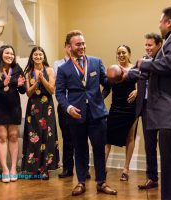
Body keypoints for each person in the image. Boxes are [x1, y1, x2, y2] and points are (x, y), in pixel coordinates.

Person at [112, 7, 171, 200]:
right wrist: (128, 73)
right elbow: (160, 70)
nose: (159, 25)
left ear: (169, 22)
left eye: (161, 21)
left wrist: (141, 63)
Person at [56, 30, 117, 196]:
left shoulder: (96, 62)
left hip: (97, 115)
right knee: (80, 149)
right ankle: (81, 182)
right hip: (76, 115)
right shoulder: (63, 69)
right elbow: (59, 93)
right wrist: (68, 108)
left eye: (83, 43)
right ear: (69, 47)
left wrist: (100, 98)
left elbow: (107, 83)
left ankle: (101, 182)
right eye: (78, 44)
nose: (82, 46)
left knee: (99, 148)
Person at [0, 45, 26, 183]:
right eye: (7, 53)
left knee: (14, 136)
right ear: (1, 54)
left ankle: (13, 168)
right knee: (2, 137)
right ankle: (5, 170)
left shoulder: (17, 68)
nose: (10, 56)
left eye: (12, 54)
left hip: (14, 107)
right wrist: (3, 83)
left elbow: (23, 90)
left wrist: (21, 85)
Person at [21, 46, 60, 180]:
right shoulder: (28, 72)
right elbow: (28, 92)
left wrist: (42, 79)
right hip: (33, 107)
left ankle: (45, 169)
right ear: (32, 57)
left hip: (47, 107)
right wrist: (37, 82)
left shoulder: (49, 70)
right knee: (33, 136)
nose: (38, 57)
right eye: (35, 55)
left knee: (47, 136)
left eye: (40, 55)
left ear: (44, 56)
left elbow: (51, 90)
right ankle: (34, 169)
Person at [53, 43, 91, 179]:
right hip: (65, 106)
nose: (72, 49)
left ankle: (85, 169)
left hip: (80, 105)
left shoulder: (86, 63)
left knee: (82, 138)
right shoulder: (58, 65)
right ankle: (68, 168)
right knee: (67, 138)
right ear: (66, 47)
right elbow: (58, 86)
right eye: (70, 47)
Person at [105, 45, 138, 182]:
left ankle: (126, 169)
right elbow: (107, 88)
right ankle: (102, 167)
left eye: (124, 52)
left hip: (131, 107)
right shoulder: (113, 69)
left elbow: (145, 83)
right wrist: (98, 100)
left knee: (130, 137)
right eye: (119, 53)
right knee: (107, 138)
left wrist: (138, 91)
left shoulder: (135, 69)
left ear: (129, 54)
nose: (121, 55)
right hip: (116, 106)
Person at [137, 33, 162, 190]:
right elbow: (134, 75)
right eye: (145, 45)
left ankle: (170, 177)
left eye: (150, 45)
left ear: (159, 44)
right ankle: (152, 178)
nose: (147, 48)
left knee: (166, 145)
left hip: (163, 108)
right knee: (150, 144)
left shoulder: (164, 61)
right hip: (146, 107)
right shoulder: (142, 60)